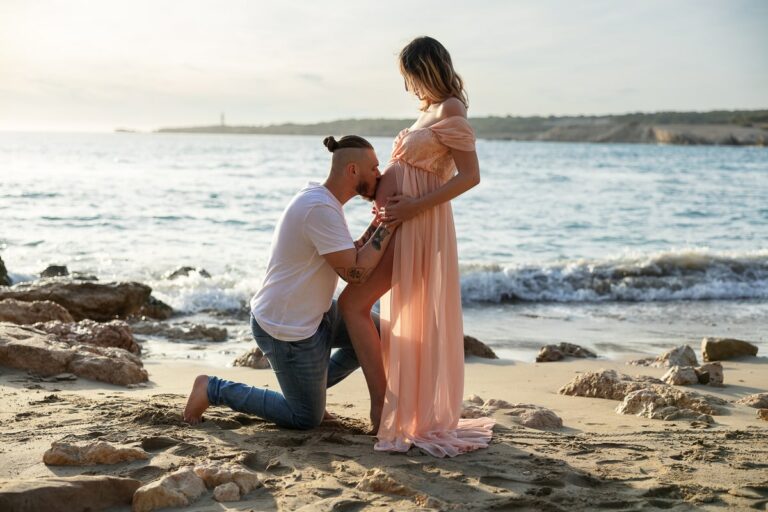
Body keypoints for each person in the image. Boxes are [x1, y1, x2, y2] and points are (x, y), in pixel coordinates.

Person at [338, 36, 495, 457]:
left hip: (420, 225)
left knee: (353, 305)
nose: (409, 87)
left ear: (426, 69)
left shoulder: (451, 109)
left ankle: (381, 403)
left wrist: (411, 208)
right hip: (397, 223)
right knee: (362, 306)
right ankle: (387, 401)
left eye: (410, 77)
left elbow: (469, 176)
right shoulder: (426, 113)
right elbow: (406, 169)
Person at [183, 134, 398, 429]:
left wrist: (378, 222)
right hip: (289, 329)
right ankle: (212, 388)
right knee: (305, 417)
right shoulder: (319, 209)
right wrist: (388, 225)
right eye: (374, 167)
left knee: (378, 334)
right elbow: (355, 273)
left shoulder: (324, 202)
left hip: (317, 314)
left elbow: (351, 255)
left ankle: (309, 389)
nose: (380, 173)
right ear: (352, 171)